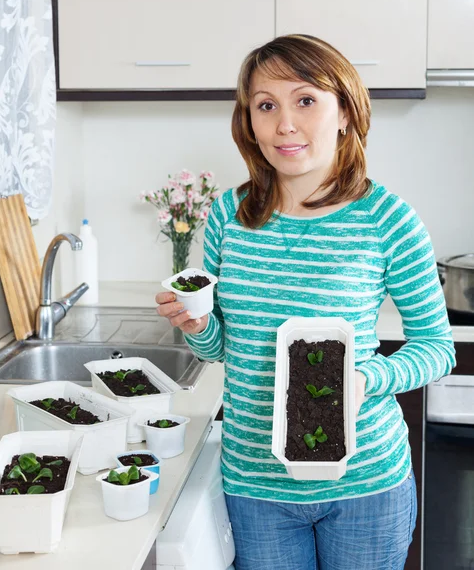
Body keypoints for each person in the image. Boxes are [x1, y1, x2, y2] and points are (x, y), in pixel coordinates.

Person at [155, 34, 456, 570]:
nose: (284, 124)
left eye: (306, 100)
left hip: (366, 482)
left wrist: (364, 380)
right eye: (265, 105)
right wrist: (198, 324)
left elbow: (437, 347)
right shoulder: (230, 214)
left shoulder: (388, 220)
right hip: (255, 481)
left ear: (345, 112)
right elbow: (226, 348)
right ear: (249, 121)